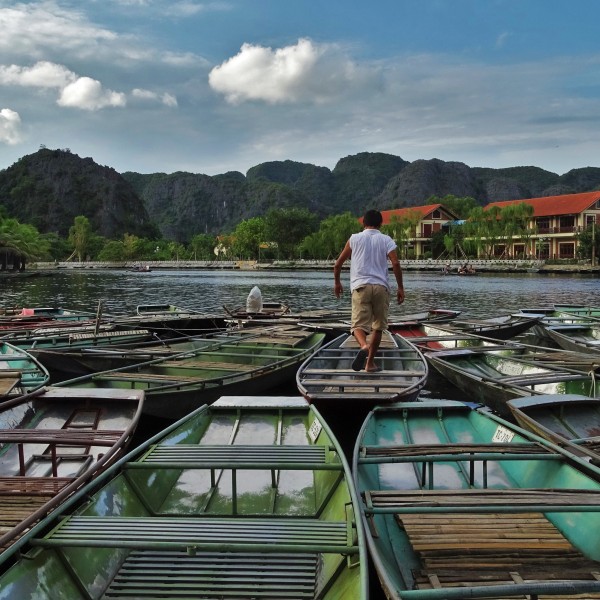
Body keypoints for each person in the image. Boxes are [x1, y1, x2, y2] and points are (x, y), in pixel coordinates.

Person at [333, 209, 405, 372]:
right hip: (381, 287)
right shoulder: (386, 239)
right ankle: (369, 363)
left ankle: (363, 345)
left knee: (358, 325)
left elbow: (337, 264)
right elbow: (396, 264)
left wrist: (337, 283)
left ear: (363, 223)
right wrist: (400, 287)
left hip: (360, 286)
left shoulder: (354, 239)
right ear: (381, 224)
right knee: (378, 327)